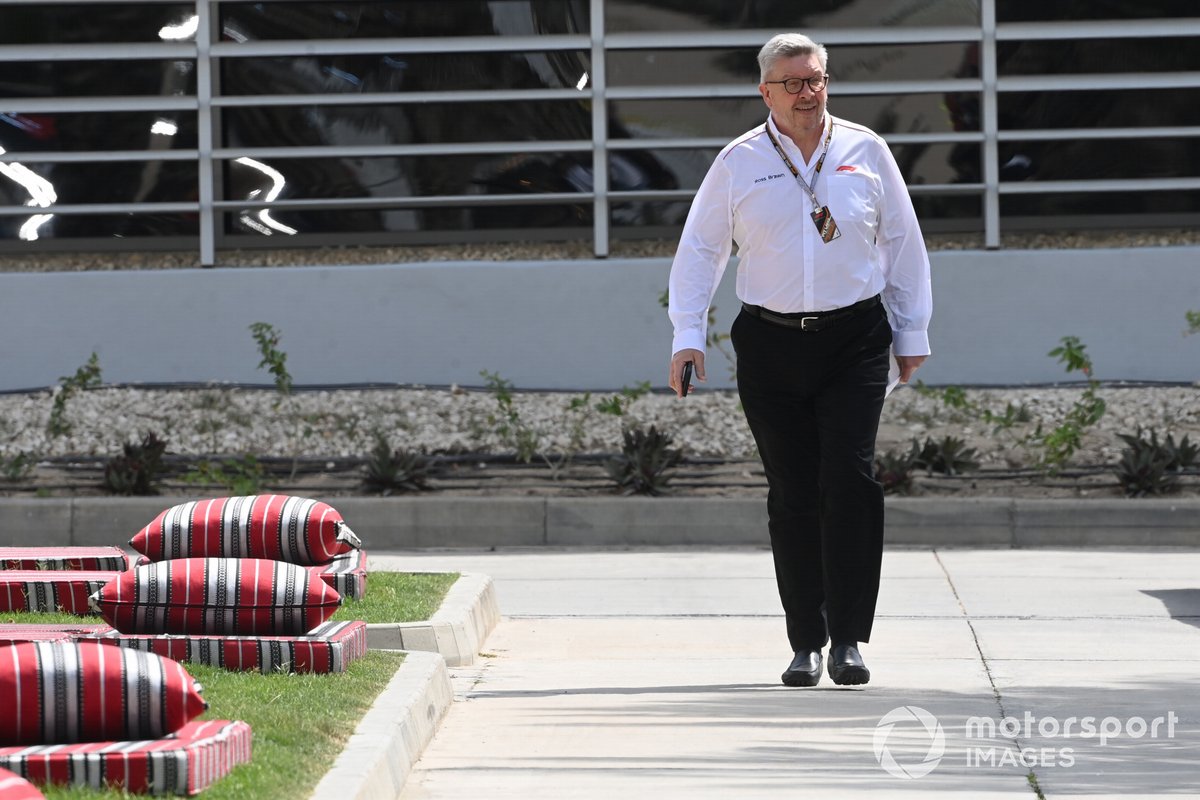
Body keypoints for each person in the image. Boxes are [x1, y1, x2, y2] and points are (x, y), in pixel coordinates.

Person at [666, 33, 932, 687]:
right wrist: (686, 333)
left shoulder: (866, 149)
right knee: (793, 491)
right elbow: (702, 250)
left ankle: (847, 639)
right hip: (770, 341)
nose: (809, 93)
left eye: (816, 80)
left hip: (856, 339)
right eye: (794, 83)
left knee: (849, 480)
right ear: (766, 92)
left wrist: (912, 330)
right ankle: (804, 642)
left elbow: (901, 239)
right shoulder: (739, 161)